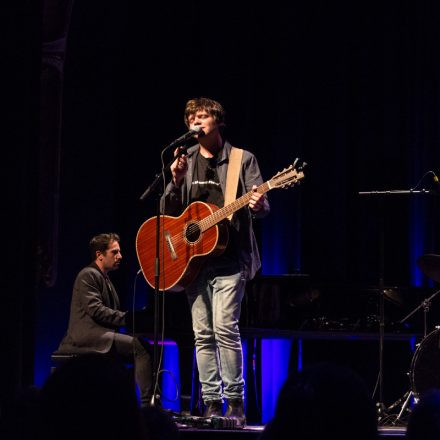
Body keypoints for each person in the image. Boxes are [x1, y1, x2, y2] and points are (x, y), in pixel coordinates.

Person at [161, 97, 270, 426]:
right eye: (191, 118)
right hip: (193, 261)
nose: (196, 122)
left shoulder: (241, 159)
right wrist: (175, 179)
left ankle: (235, 403)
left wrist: (257, 204)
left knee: (225, 329)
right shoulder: (186, 159)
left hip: (230, 260)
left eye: (202, 116)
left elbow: (262, 207)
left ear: (218, 122)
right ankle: (211, 403)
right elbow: (171, 212)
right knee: (202, 334)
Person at [57, 233, 153, 407]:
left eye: (119, 252)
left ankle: (123, 404)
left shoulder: (105, 278)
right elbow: (96, 310)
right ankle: (147, 406)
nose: (120, 256)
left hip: (101, 334)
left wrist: (132, 320)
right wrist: (127, 318)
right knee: (140, 347)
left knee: (140, 347)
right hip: (87, 335)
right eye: (114, 252)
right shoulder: (87, 275)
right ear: (99, 255)